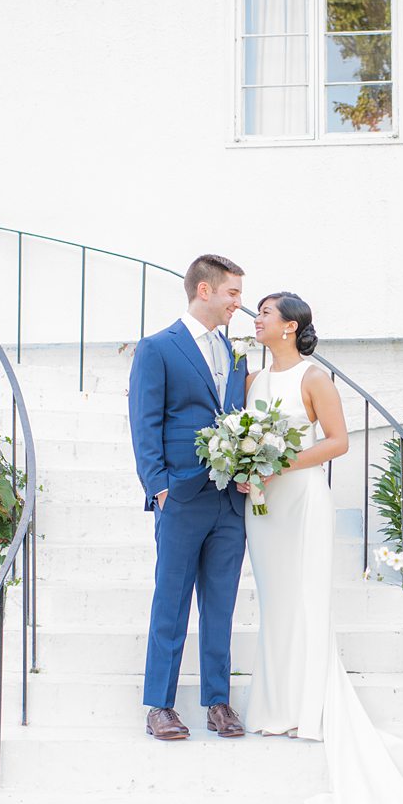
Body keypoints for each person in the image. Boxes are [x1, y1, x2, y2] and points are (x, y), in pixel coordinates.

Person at [240, 292, 403, 804]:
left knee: (304, 600)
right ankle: (272, 707)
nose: (257, 320)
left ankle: (308, 707)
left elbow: (338, 442)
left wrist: (282, 464)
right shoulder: (253, 379)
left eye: (265, 313)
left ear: (291, 326)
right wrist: (245, 466)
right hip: (263, 505)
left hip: (301, 499)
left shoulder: (314, 377)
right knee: (275, 602)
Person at [127, 254, 248, 742]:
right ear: (205, 290)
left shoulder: (236, 353)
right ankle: (159, 706)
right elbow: (144, 422)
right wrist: (159, 487)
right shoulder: (158, 348)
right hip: (180, 495)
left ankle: (218, 702)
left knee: (220, 605)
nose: (239, 304)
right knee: (171, 603)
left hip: (230, 500)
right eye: (233, 294)